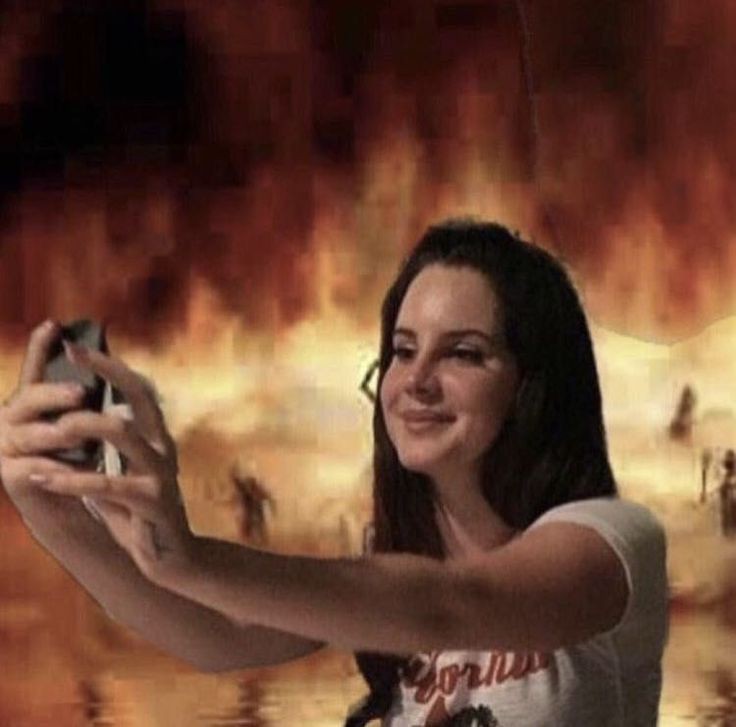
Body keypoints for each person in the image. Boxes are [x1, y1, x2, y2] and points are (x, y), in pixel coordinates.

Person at [0, 219, 668, 726]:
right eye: (402, 350)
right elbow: (220, 635)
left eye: (463, 353)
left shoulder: (613, 541)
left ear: (533, 387)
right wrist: (51, 511)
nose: (416, 382)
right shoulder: (390, 562)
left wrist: (191, 558)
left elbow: (450, 605)